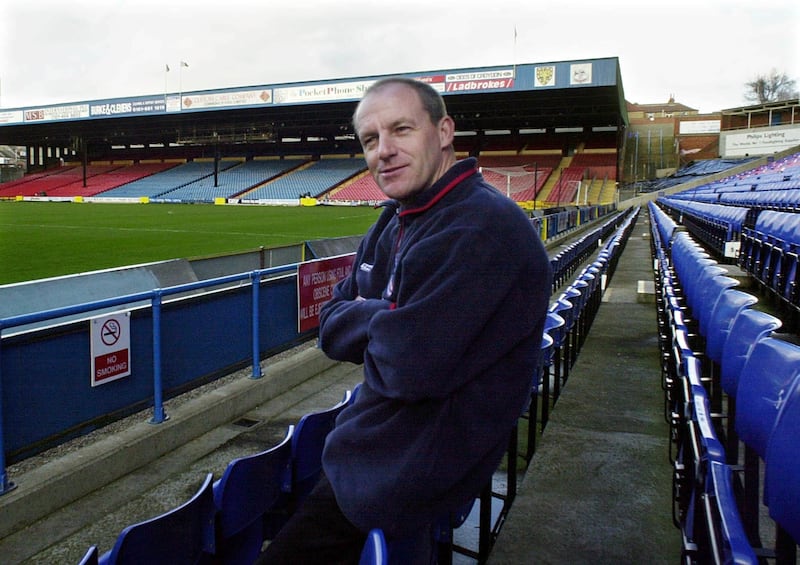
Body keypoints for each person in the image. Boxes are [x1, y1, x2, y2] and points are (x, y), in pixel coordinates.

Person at [259, 77, 551, 564]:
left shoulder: (480, 226)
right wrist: (390, 318)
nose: (384, 151)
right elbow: (330, 325)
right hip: (372, 454)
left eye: (401, 130)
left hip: (400, 476)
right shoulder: (398, 214)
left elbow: (408, 367)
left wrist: (375, 322)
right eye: (371, 140)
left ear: (443, 131)